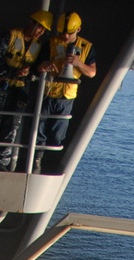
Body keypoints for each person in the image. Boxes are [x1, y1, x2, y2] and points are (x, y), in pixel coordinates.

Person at [0, 10, 53, 171]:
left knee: (11, 127)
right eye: (38, 26)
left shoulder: (39, 46)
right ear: (31, 22)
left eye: (43, 29)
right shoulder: (9, 36)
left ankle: (1, 163)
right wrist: (13, 73)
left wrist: (37, 69)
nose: (39, 31)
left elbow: (36, 67)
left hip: (19, 91)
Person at [35, 12, 96, 173]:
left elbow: (91, 72)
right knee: (39, 129)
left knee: (57, 135)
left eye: (69, 33)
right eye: (63, 33)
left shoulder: (87, 47)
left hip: (67, 97)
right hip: (49, 92)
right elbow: (38, 65)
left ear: (79, 29)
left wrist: (78, 63)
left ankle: (49, 159)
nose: (66, 36)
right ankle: (37, 161)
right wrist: (45, 65)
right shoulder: (51, 43)